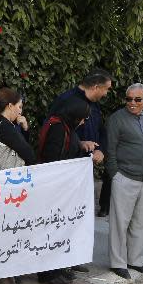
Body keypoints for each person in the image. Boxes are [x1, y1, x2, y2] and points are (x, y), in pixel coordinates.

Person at [0, 87, 37, 284]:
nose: (20, 112)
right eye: (20, 107)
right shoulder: (5, 127)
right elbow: (28, 153)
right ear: (10, 106)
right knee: (7, 235)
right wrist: (24, 129)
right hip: (9, 189)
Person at [104, 83, 143, 280]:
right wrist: (114, 175)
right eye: (129, 99)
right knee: (120, 223)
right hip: (125, 177)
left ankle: (136, 260)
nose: (132, 103)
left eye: (137, 99)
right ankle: (118, 263)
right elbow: (109, 150)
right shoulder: (117, 119)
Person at [36, 96, 93, 284]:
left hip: (61, 189)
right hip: (54, 189)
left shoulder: (65, 126)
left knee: (60, 230)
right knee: (51, 231)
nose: (83, 122)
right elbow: (54, 159)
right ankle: (48, 273)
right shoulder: (59, 128)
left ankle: (58, 269)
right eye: (82, 118)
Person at [50, 69, 113, 215]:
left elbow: (101, 129)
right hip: (67, 168)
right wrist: (78, 142)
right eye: (106, 89)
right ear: (96, 87)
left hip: (85, 168)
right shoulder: (66, 100)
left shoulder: (95, 104)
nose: (106, 94)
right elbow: (53, 129)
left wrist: (101, 149)